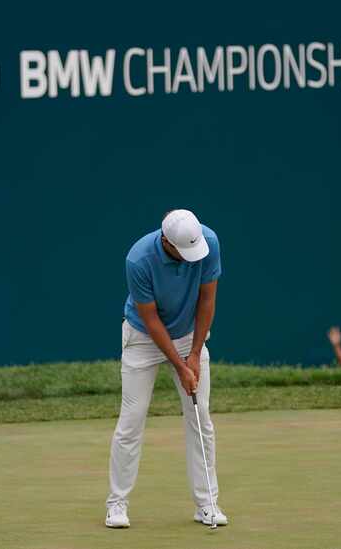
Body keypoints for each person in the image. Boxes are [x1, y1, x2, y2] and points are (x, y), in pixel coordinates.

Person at [105, 209, 228, 528]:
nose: (191, 258)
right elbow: (151, 320)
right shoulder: (139, 259)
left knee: (200, 419)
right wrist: (179, 364)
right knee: (131, 419)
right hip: (144, 337)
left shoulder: (209, 242)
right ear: (166, 242)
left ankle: (207, 503)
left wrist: (195, 353)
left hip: (190, 335)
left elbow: (207, 301)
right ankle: (116, 504)